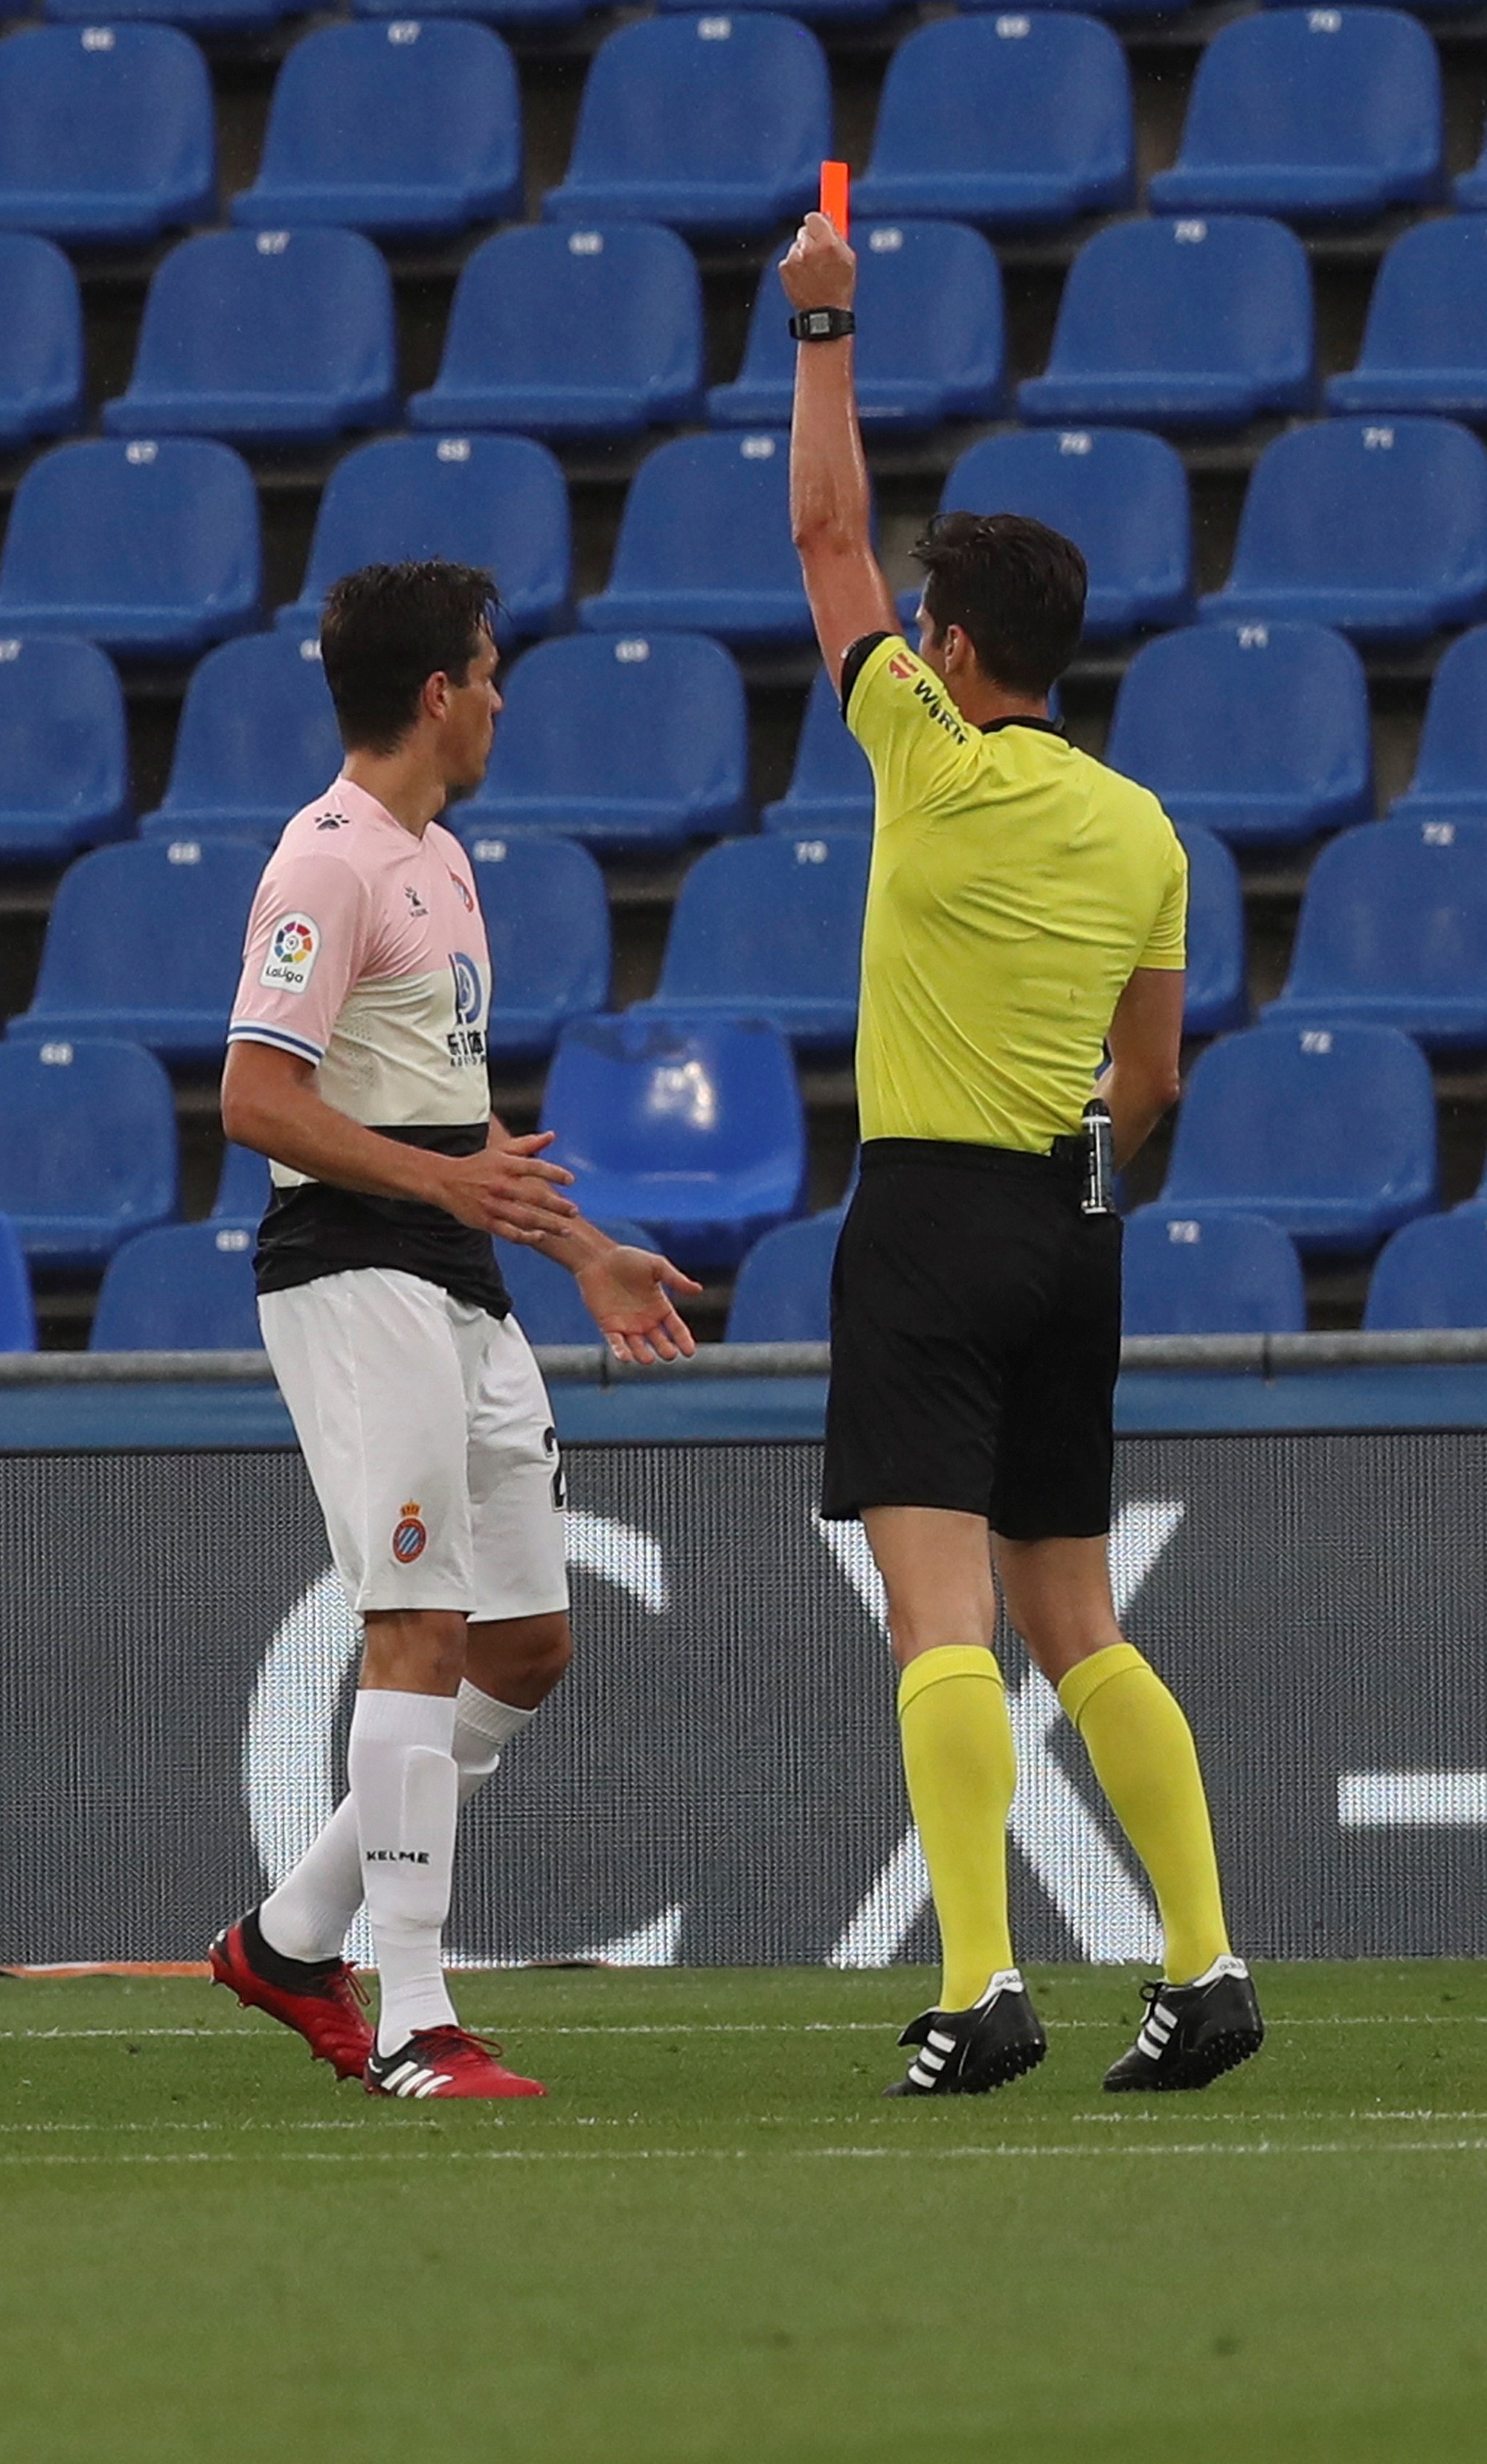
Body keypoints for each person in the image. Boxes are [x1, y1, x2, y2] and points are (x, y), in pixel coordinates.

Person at [781, 209, 1261, 2096]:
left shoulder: (926, 752)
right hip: (1077, 1220)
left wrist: (824, 325)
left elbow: (824, 537)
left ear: (953, 646)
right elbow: (1152, 1083)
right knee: (1080, 1618)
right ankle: (1205, 1964)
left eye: (923, 621)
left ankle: (981, 1985)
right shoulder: (1149, 833)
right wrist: (1081, 1175)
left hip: (928, 1212)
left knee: (939, 1613)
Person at [204, 558, 702, 2101]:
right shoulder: (326, 866)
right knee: (414, 1628)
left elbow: (460, 1118)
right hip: (357, 1270)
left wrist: (584, 1252)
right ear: (438, 694)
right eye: (488, 674)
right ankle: (418, 2015)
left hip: (461, 1279)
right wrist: (450, 1187)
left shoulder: (445, 861)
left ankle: (291, 1940)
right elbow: (255, 1100)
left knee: (527, 1645)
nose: (498, 700)